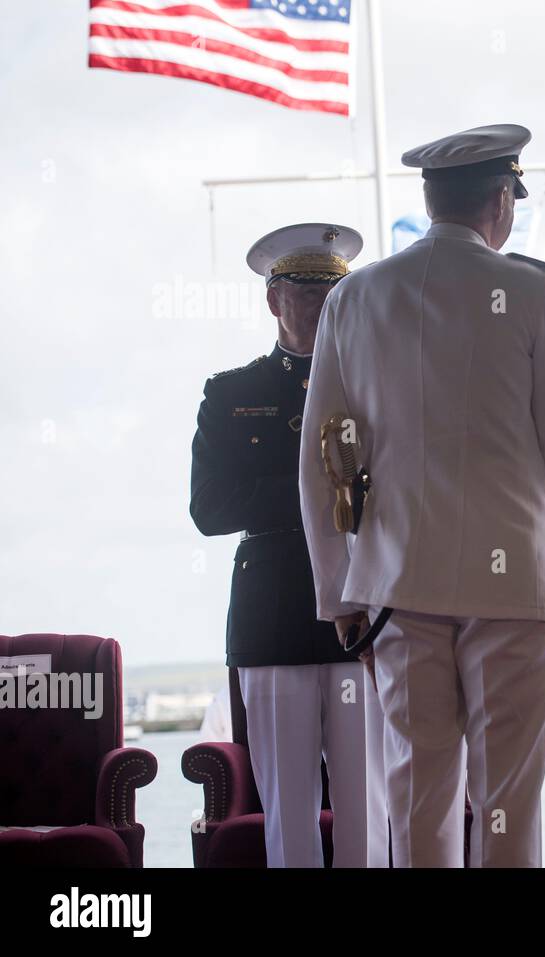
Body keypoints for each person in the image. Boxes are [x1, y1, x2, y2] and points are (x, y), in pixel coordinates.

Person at [299, 124, 545, 867]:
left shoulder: (354, 297)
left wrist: (339, 592)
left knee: (416, 797)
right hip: (516, 586)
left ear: (430, 200)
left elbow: (320, 456)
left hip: (400, 584)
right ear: (502, 202)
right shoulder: (536, 291)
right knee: (507, 807)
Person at [190, 223, 368, 867]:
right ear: (273, 300)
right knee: (287, 817)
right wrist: (312, 485)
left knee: (368, 812)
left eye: (334, 292)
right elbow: (209, 509)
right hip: (275, 617)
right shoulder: (233, 394)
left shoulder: (375, 387)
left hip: (365, 613)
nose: (322, 305)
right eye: (304, 291)